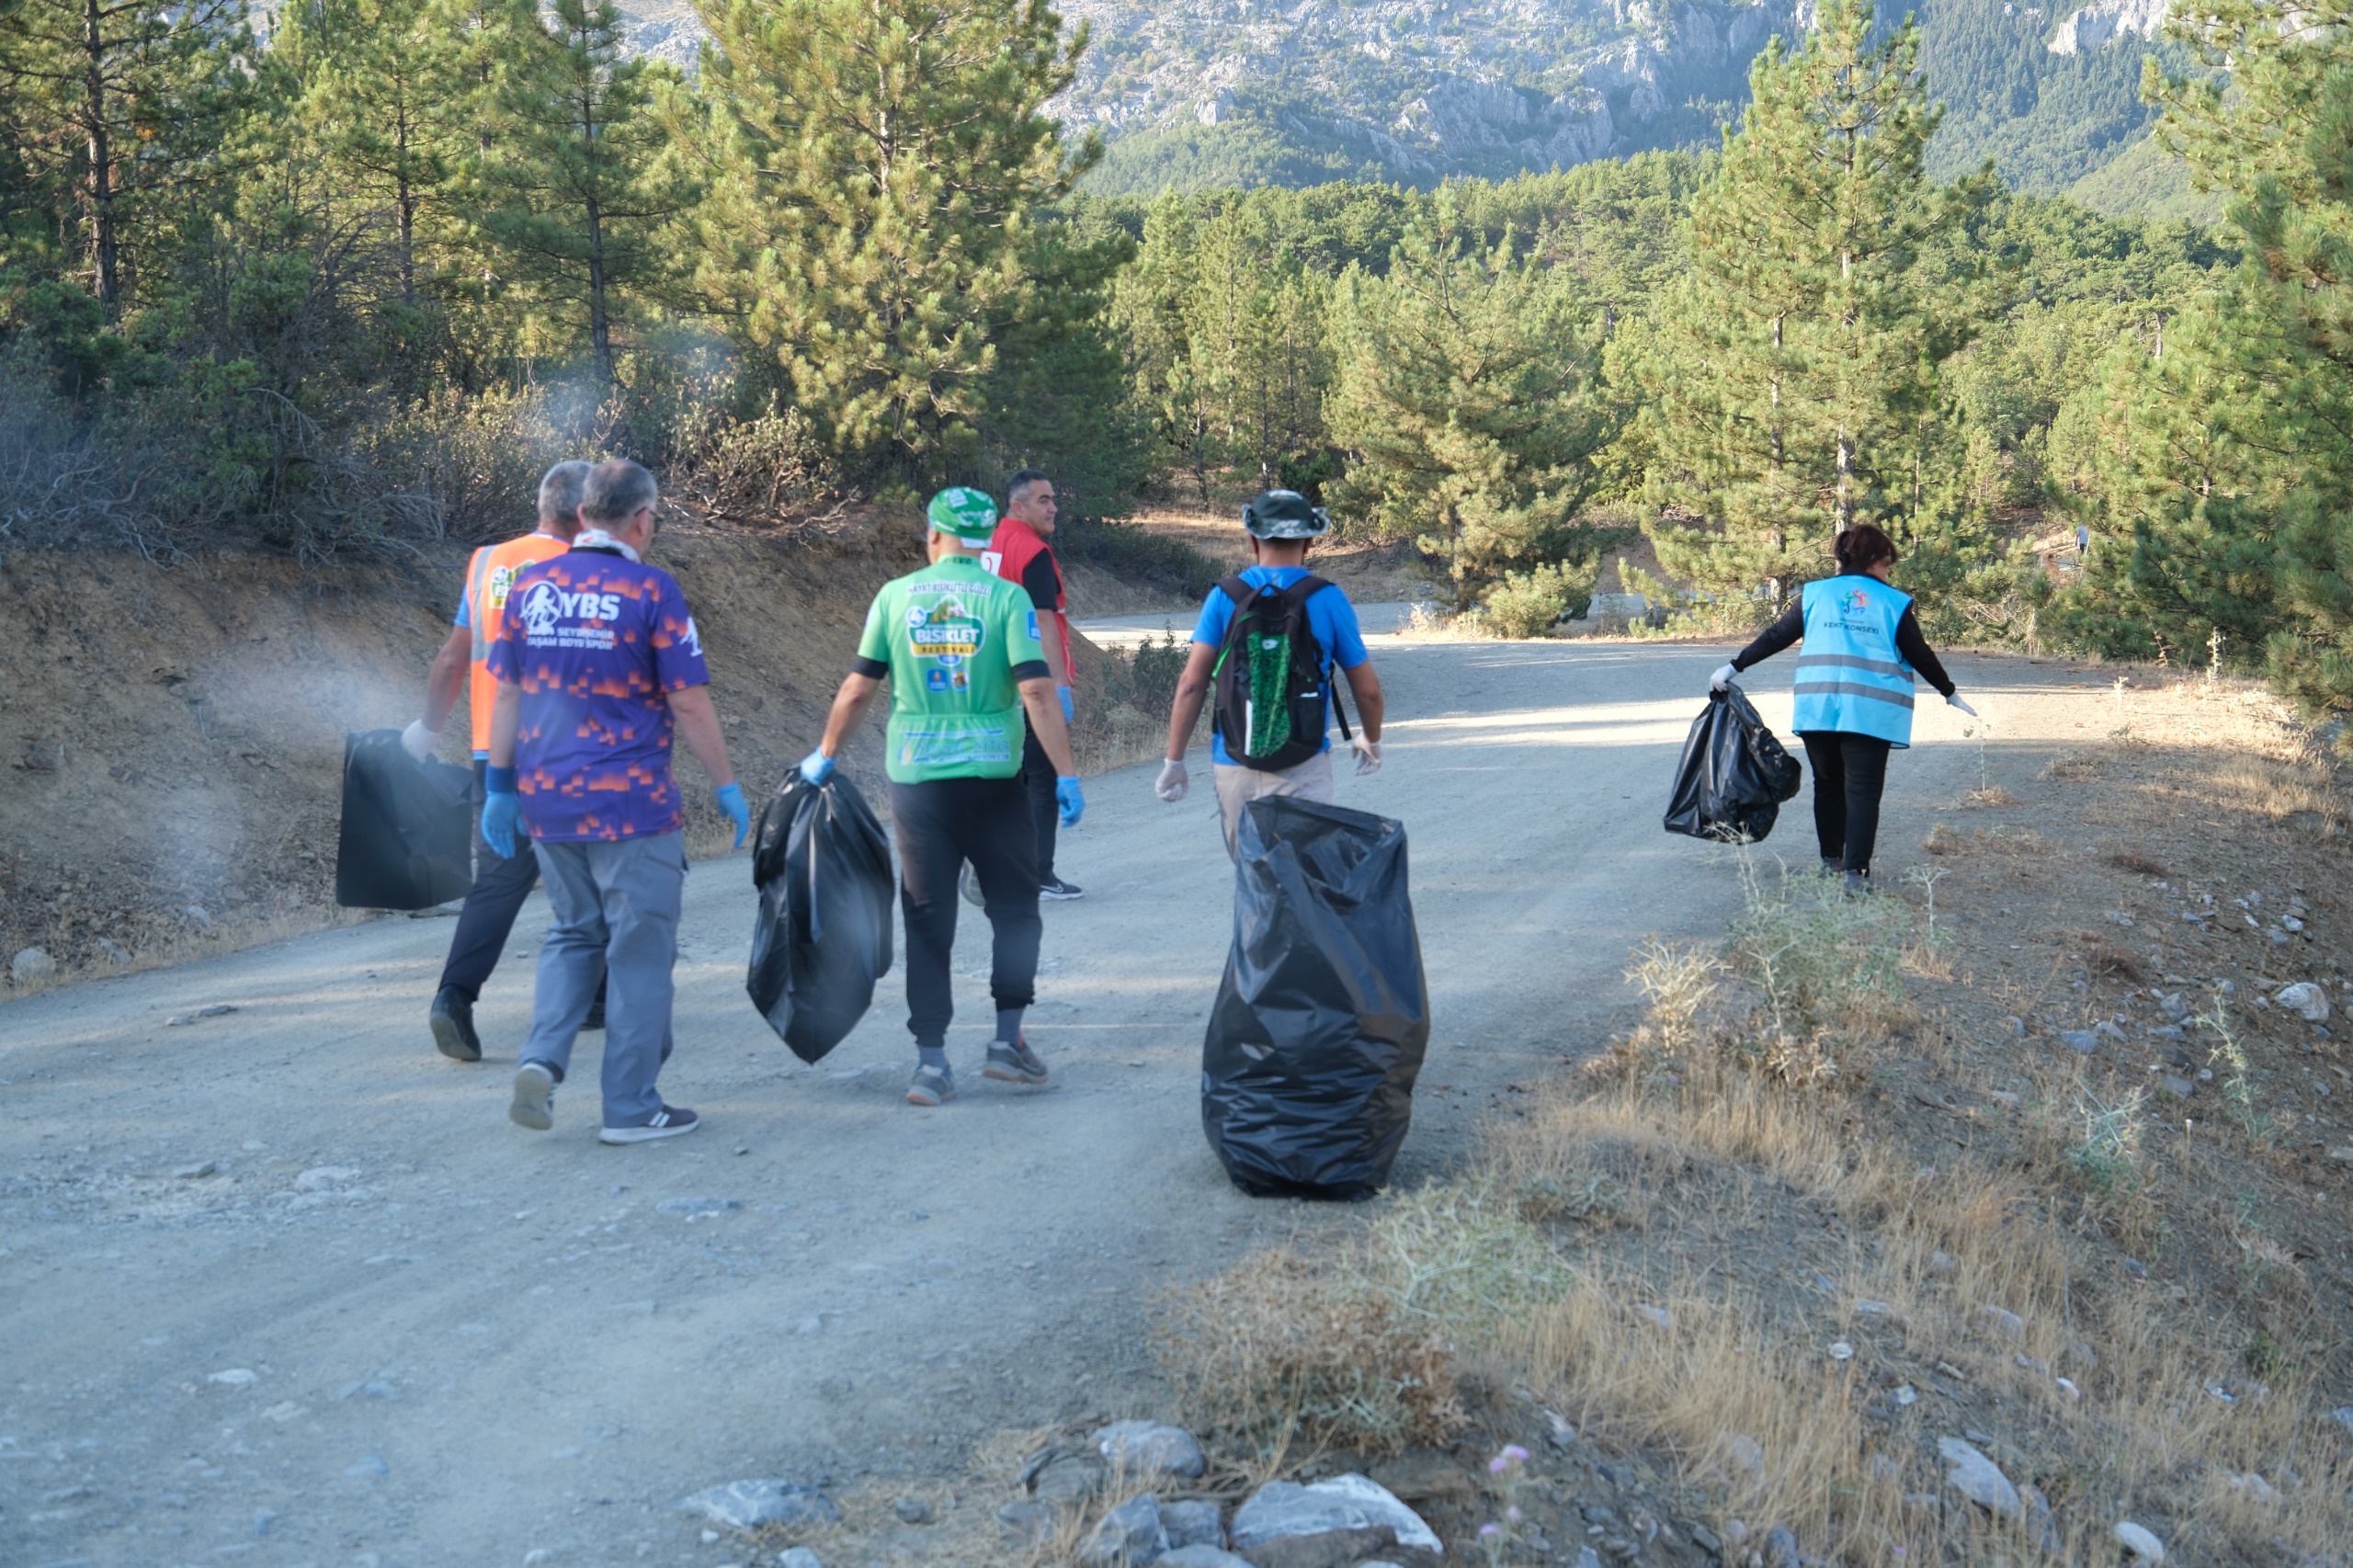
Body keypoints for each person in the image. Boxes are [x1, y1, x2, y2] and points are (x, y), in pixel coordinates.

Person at [480, 460, 752, 1143]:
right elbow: (687, 700)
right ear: (640, 519)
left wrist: (498, 786)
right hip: (631, 804)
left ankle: (542, 1058)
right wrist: (726, 783)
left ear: (581, 517)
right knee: (638, 952)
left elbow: (506, 694)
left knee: (573, 934)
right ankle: (630, 1107)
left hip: (547, 799)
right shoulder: (651, 590)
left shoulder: (529, 585)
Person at [798, 487, 1085, 1108]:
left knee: (928, 922)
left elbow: (856, 691)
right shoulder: (1006, 598)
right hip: (994, 784)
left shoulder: (895, 597)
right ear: (986, 540)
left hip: (919, 787)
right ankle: (1008, 1041)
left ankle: (930, 1064)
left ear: (933, 535)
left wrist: (825, 755)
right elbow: (1036, 693)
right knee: (1014, 912)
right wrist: (1064, 772)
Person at [406, 460, 601, 1063]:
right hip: (571, 752)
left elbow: (451, 659)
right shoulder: (593, 570)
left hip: (500, 757)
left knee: (495, 885)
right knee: (602, 873)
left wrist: (427, 728)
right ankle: (598, 996)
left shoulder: (487, 561)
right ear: (586, 515)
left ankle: (453, 999)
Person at [1710, 523, 1976, 894]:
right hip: (1871, 712)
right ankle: (1856, 874)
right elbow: (1920, 654)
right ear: (1875, 560)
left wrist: (1734, 666)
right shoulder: (1893, 602)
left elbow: (1777, 636)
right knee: (1863, 791)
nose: (1887, 572)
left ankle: (1831, 861)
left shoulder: (1815, 594)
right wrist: (1948, 691)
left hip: (1819, 708)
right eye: (1887, 564)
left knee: (1828, 786)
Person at [1155, 489, 1385, 858]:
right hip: (1304, 764)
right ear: (1309, 542)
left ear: (1252, 540)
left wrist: (1174, 761)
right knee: (1303, 881)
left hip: (1234, 762)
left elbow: (1191, 684)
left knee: (1254, 884)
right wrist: (1370, 740)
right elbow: (1368, 691)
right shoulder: (1327, 598)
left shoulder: (1224, 597)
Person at [981, 469, 1083, 900]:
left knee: (1006, 779)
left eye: (1053, 498)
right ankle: (1038, 873)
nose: (1054, 507)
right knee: (1041, 780)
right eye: (1044, 500)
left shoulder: (986, 544)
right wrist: (1058, 685)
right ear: (1018, 506)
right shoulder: (1032, 551)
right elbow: (1043, 621)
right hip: (1030, 682)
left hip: (988, 683)